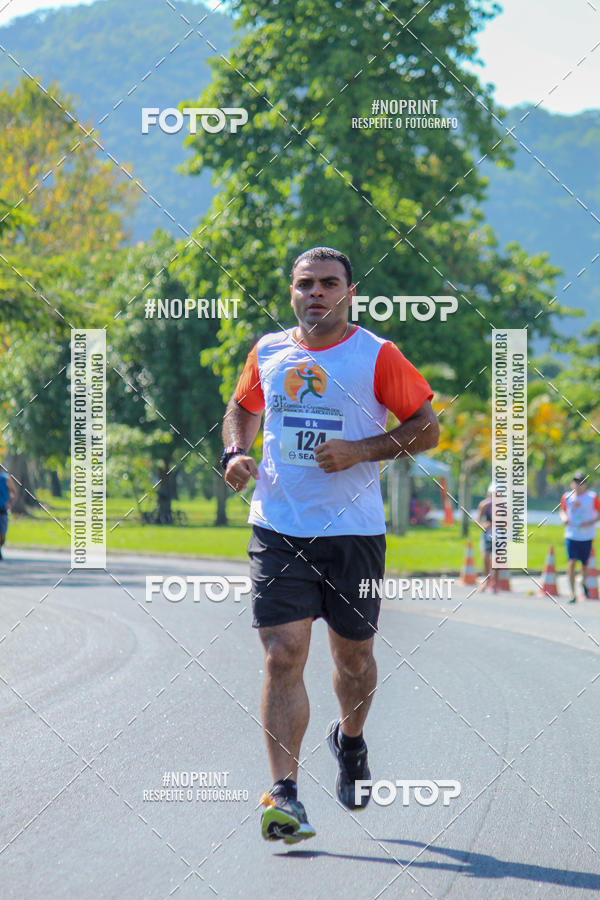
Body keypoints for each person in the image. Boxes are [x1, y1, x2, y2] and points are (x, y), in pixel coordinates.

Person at [220, 247, 439, 843]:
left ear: (348, 293)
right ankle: (284, 794)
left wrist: (360, 451)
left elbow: (426, 426)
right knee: (282, 655)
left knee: (354, 661)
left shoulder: (376, 355)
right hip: (278, 526)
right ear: (291, 292)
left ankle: (350, 739)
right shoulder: (268, 351)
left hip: (354, 534)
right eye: (305, 284)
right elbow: (240, 408)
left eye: (328, 283)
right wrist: (234, 452)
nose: (316, 292)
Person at [559, 472, 600, 603]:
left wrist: (591, 522)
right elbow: (562, 511)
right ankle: (572, 593)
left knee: (584, 566)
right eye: (576, 482)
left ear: (585, 484)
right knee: (571, 562)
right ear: (572, 484)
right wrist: (564, 519)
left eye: (581, 482)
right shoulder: (567, 496)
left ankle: (583, 582)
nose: (578, 485)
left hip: (586, 535)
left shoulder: (592, 497)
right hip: (571, 535)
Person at [476, 483, 499, 592]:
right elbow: (478, 521)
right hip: (487, 534)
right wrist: (483, 525)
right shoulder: (484, 505)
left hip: (500, 534)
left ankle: (495, 582)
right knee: (485, 557)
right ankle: (486, 580)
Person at [0, 467, 17, 560]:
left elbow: (13, 492)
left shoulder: (6, 479)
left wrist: (11, 503)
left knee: (2, 534)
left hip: (2, 510)